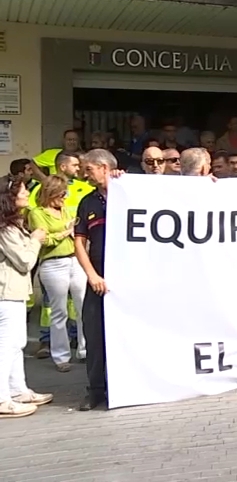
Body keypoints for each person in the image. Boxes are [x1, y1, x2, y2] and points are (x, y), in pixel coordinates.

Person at [0, 176, 53, 418]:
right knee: (7, 345)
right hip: (6, 292)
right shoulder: (5, 229)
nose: (26, 195)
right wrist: (35, 241)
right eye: (22, 191)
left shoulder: (13, 225)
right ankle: (2, 399)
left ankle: (18, 390)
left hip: (15, 291)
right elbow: (24, 261)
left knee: (17, 342)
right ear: (10, 198)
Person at [27, 175, 88, 373]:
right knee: (58, 311)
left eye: (65, 193)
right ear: (50, 193)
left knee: (82, 306)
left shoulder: (68, 210)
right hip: (53, 264)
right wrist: (65, 233)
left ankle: (84, 349)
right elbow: (42, 239)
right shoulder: (37, 213)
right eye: (61, 194)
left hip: (75, 260)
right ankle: (61, 356)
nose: (65, 197)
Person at [74, 149, 116, 411]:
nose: (85, 174)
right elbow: (79, 241)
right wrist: (91, 275)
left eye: (88, 169)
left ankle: (120, 387)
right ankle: (95, 390)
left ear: (103, 167)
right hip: (98, 279)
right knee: (94, 333)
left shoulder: (130, 193)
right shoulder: (87, 201)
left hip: (128, 278)